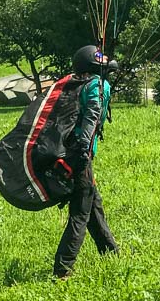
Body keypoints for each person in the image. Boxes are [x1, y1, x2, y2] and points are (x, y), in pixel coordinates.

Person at [53, 45, 119, 280]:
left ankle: (110, 252)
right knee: (81, 212)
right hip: (79, 155)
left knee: (93, 205)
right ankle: (63, 269)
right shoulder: (98, 85)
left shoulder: (76, 83)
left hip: (66, 151)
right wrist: (84, 149)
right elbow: (92, 116)